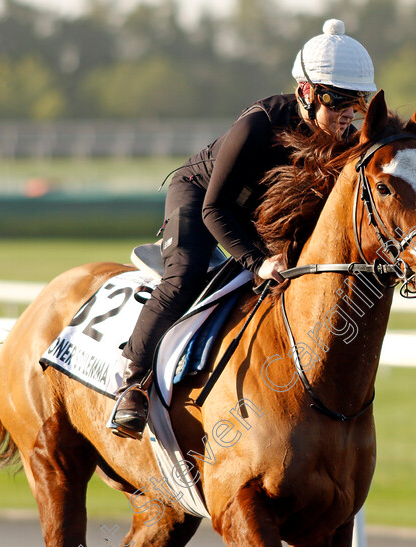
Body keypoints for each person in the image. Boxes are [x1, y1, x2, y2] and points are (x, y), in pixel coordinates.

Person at [109, 19, 377, 439]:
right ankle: (132, 381)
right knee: (186, 275)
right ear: (306, 92)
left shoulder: (342, 136)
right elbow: (215, 209)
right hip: (201, 198)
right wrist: (257, 261)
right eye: (338, 104)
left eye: (356, 106)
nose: (347, 118)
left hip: (256, 212)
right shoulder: (260, 123)